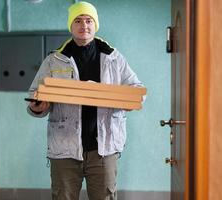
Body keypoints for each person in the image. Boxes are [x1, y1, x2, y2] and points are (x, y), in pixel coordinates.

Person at [27, 1, 145, 200]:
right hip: (64, 148)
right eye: (78, 21)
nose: (84, 25)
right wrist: (38, 107)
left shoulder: (114, 58)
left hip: (104, 148)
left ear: (95, 24)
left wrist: (129, 101)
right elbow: (34, 96)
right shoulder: (54, 60)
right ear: (71, 26)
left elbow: (137, 89)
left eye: (89, 20)